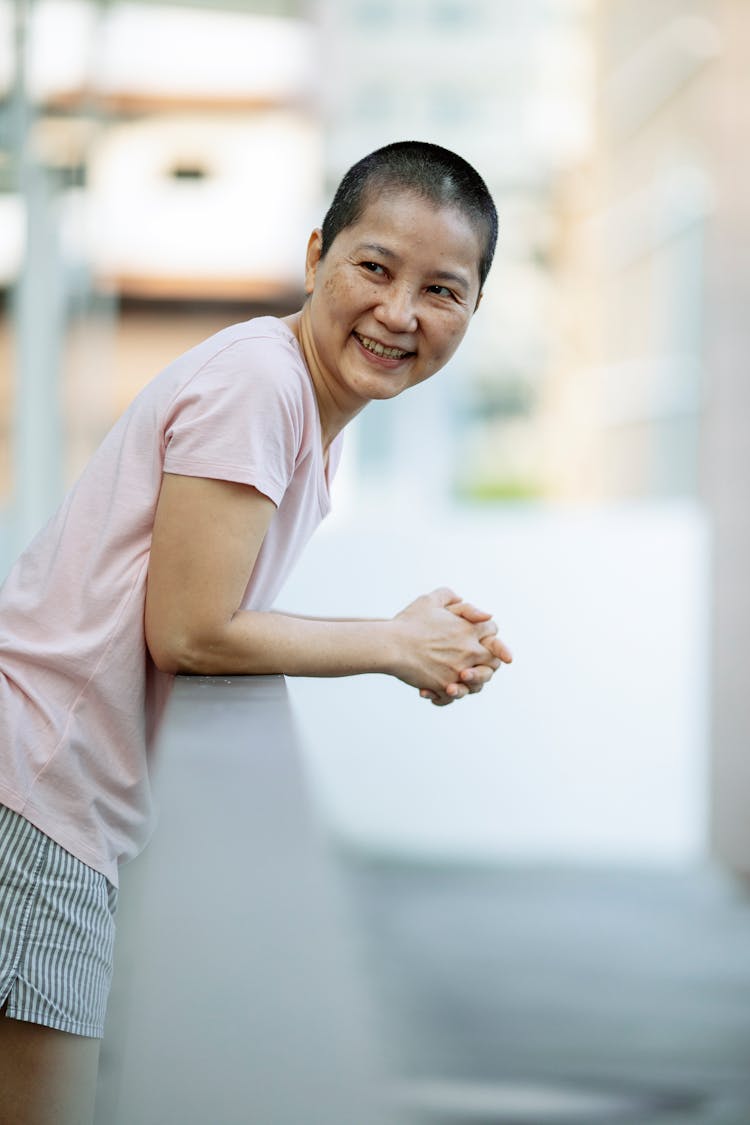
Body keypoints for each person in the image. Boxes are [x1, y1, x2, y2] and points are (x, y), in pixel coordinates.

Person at [0, 139, 512, 1124]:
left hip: (54, 801)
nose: (399, 313)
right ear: (317, 252)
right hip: (36, 797)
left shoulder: (297, 407)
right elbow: (190, 631)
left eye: (441, 290)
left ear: (474, 311)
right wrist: (395, 643)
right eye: (374, 267)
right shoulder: (261, 386)